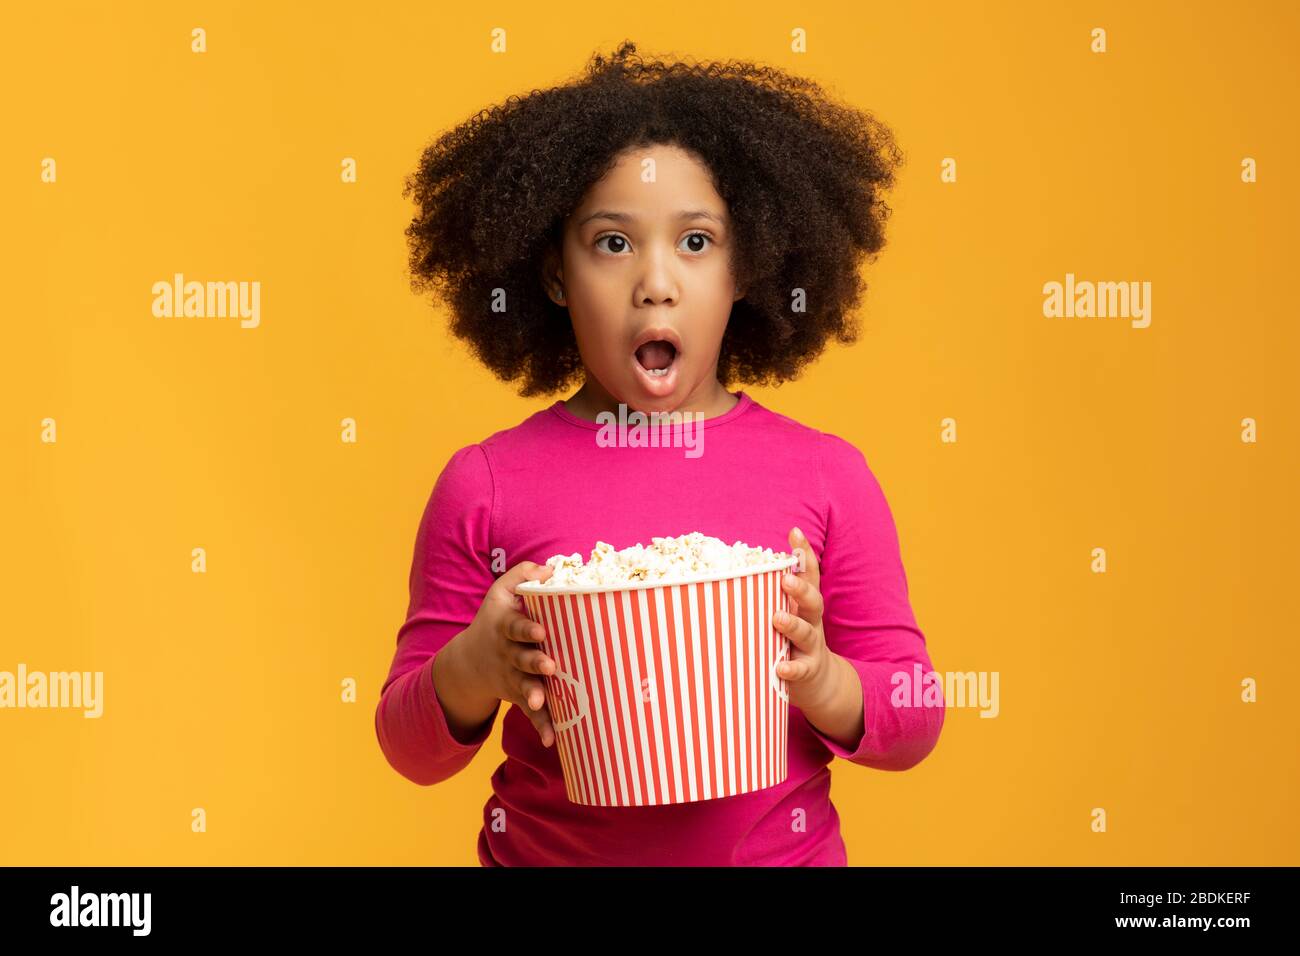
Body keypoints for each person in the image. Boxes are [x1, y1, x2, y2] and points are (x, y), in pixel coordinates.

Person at [376, 40, 944, 865]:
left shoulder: (826, 475)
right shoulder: (485, 485)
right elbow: (409, 746)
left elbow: (916, 714)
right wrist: (475, 665)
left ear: (745, 267)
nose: (656, 282)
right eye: (612, 243)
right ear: (553, 273)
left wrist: (823, 678)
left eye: (696, 242)